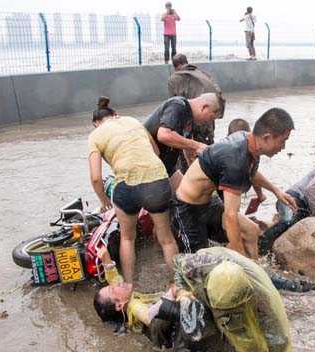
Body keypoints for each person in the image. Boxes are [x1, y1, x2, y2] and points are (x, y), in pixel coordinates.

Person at [93, 246, 294, 352]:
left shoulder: (127, 298)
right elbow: (149, 316)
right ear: (119, 305)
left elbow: (117, 280)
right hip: (163, 322)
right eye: (113, 289)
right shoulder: (134, 306)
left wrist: (106, 262)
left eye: (113, 285)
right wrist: (173, 294)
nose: (118, 284)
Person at [171, 108, 297, 259]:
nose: (283, 147)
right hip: (187, 210)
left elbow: (251, 173)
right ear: (267, 137)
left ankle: (254, 271)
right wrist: (240, 253)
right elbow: (230, 216)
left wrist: (276, 190)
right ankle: (246, 267)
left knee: (251, 230)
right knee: (196, 266)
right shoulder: (235, 159)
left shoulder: (248, 142)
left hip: (209, 203)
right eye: (283, 141)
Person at [88, 97, 179, 283]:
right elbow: (156, 152)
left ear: (96, 123)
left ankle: (129, 285)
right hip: (156, 181)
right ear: (115, 115)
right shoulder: (132, 121)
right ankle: (180, 285)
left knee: (127, 238)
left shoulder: (95, 136)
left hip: (126, 186)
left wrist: (105, 201)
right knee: (167, 238)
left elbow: (96, 178)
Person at [143, 93, 225, 192]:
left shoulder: (190, 119)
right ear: (204, 107)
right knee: (161, 203)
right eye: (211, 118)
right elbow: (164, 135)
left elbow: (187, 147)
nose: (209, 122)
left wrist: (197, 173)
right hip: (147, 165)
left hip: (166, 166)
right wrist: (197, 145)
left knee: (189, 194)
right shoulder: (177, 105)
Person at [168, 54, 223, 171]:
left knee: (185, 159)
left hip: (191, 124)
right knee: (207, 155)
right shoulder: (204, 74)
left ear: (175, 67)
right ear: (187, 62)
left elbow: (174, 106)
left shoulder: (175, 79)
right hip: (209, 121)